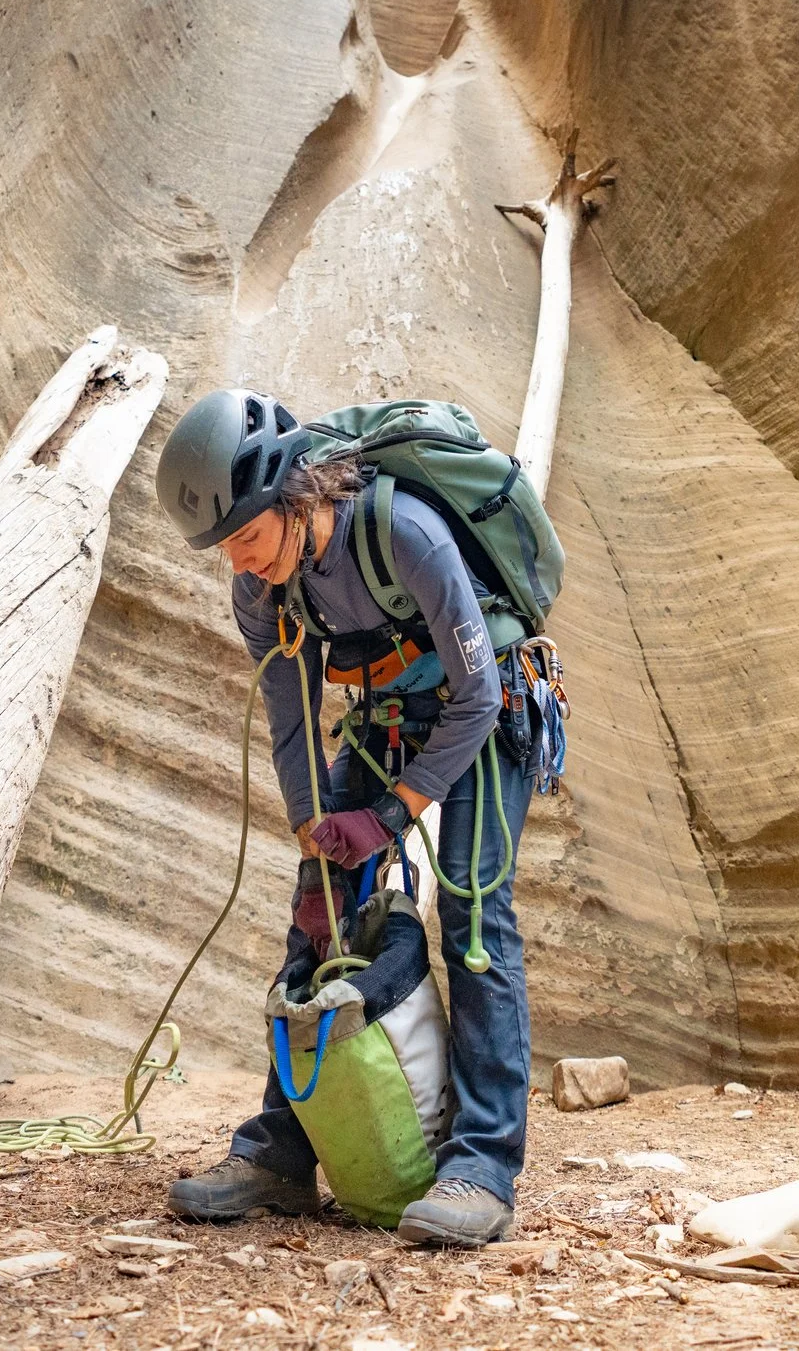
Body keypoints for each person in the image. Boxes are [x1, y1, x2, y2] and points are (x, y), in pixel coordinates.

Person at [152, 387, 534, 1247]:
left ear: (292, 497)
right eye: (225, 551)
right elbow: (290, 720)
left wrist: (395, 815)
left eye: (248, 539)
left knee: (475, 911)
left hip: (488, 707)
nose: (242, 565)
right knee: (315, 921)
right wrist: (315, 842)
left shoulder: (405, 533)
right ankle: (279, 1154)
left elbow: (473, 698)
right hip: (380, 719)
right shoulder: (262, 589)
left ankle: (482, 1165)